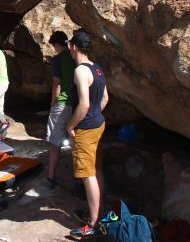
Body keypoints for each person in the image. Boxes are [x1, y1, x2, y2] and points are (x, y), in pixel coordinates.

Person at [65, 30, 109, 239]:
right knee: (96, 170)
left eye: (70, 46)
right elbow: (105, 99)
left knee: (86, 174)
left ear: (74, 47)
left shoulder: (81, 71)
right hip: (98, 124)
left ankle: (92, 224)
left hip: (85, 128)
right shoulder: (97, 68)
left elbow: (83, 104)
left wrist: (70, 126)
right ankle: (98, 214)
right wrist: (95, 115)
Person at [45, 31, 77, 189]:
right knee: (75, 143)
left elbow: (56, 83)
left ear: (57, 45)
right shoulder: (74, 57)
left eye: (54, 47)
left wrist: (53, 103)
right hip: (76, 104)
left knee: (55, 144)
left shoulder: (57, 60)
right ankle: (78, 177)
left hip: (62, 103)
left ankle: (50, 177)